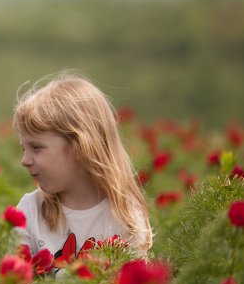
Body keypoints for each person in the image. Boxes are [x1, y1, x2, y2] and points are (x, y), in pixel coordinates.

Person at [13, 72, 152, 264]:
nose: (25, 160)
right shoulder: (30, 211)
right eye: (23, 148)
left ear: (80, 147)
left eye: (36, 148)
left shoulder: (124, 217)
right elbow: (14, 278)